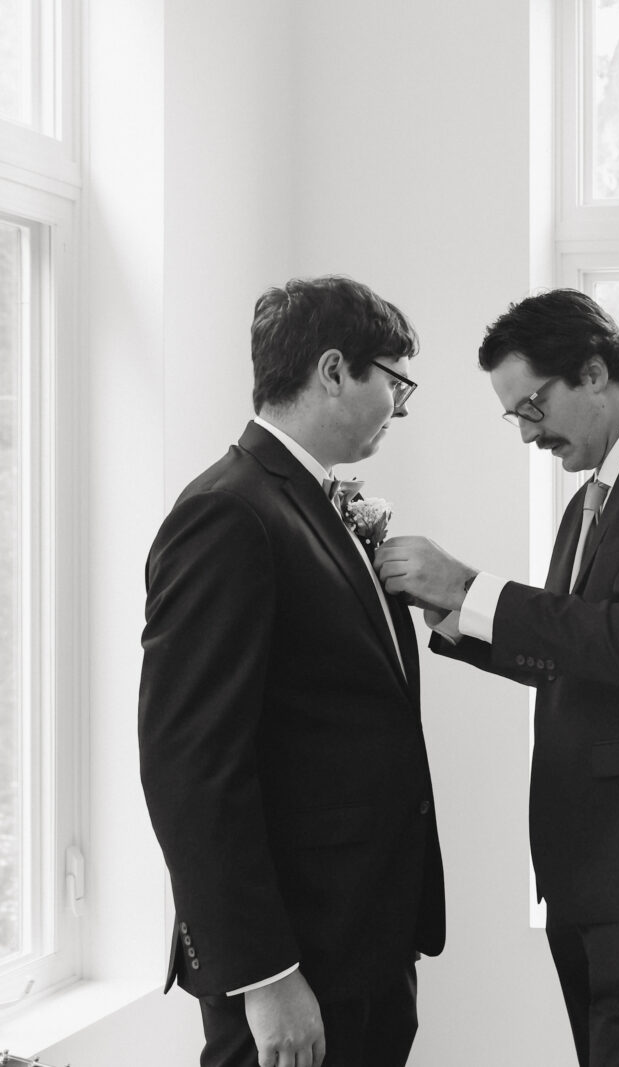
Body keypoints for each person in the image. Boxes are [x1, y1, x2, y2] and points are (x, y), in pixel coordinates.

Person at [374, 288, 619, 1067]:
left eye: (533, 404)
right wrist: (448, 614)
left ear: (593, 372)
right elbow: (570, 653)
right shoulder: (594, 494)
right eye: (514, 414)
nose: (527, 432)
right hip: (594, 868)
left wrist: (469, 586)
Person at [138, 275, 444, 1067]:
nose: (401, 406)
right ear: (335, 370)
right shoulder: (228, 512)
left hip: (362, 941)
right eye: (395, 381)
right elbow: (191, 764)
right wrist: (265, 975)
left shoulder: (303, 500)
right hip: (294, 958)